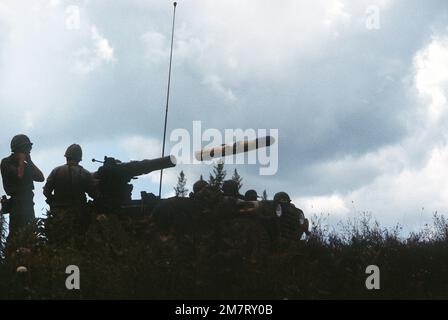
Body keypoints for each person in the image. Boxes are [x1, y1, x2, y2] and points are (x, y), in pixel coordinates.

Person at [1, 134, 44, 238]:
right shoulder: (6, 162)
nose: (29, 150)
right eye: (27, 148)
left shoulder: (25, 164)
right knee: (16, 236)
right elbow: (19, 176)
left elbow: (40, 177)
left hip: (28, 203)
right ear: (19, 149)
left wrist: (29, 161)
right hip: (17, 205)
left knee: (31, 234)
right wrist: (21, 160)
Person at [43, 144, 96, 210]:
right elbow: (94, 193)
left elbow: (46, 191)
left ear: (66, 157)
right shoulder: (85, 173)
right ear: (79, 159)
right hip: (79, 212)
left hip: (58, 214)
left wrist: (54, 201)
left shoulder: (56, 171)